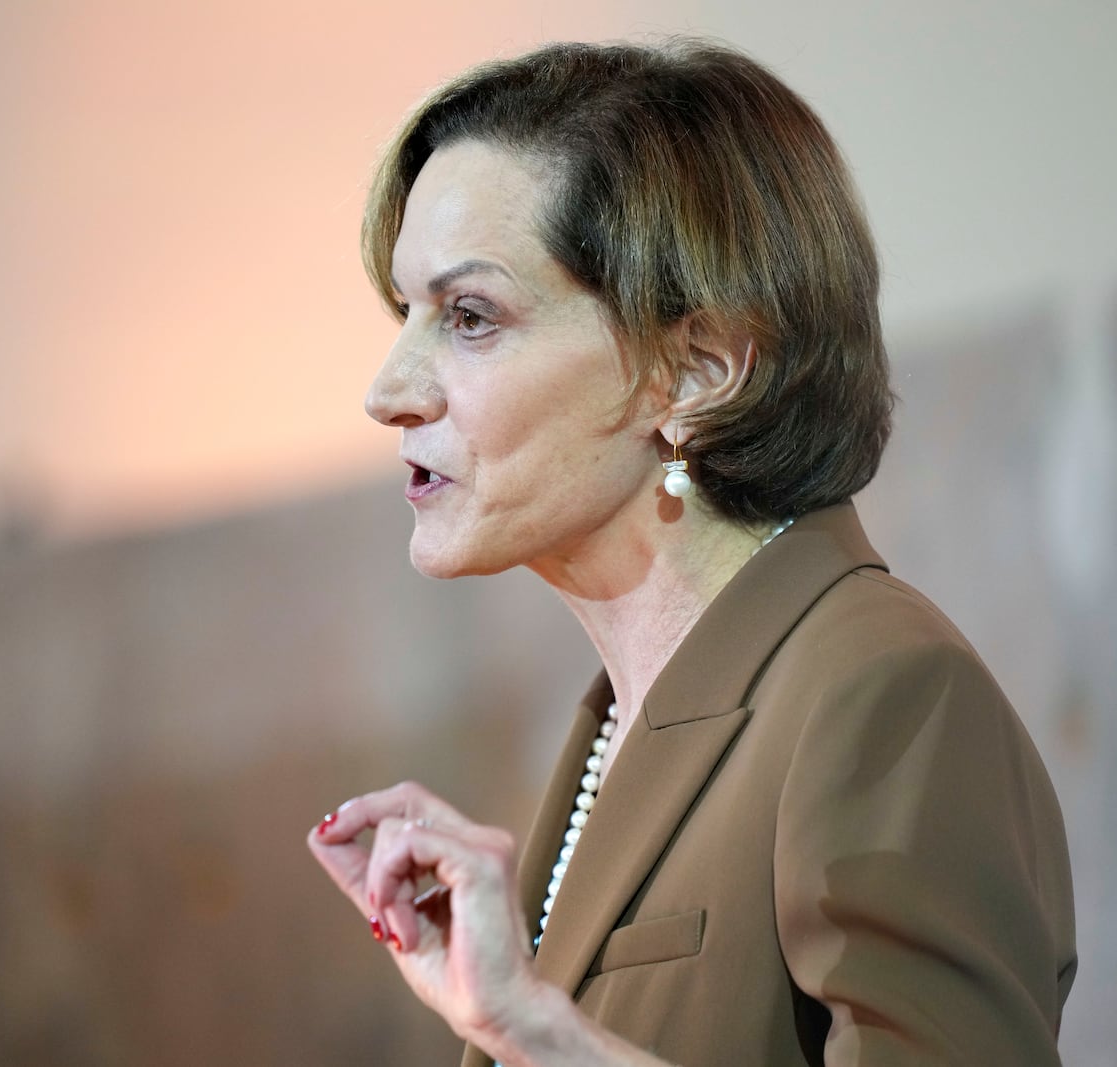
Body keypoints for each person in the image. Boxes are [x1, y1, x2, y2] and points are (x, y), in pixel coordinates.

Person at [306, 38, 1076, 1067]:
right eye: (408, 311)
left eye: (470, 316)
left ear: (696, 373)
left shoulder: (884, 691)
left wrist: (537, 1028)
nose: (389, 388)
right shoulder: (617, 719)